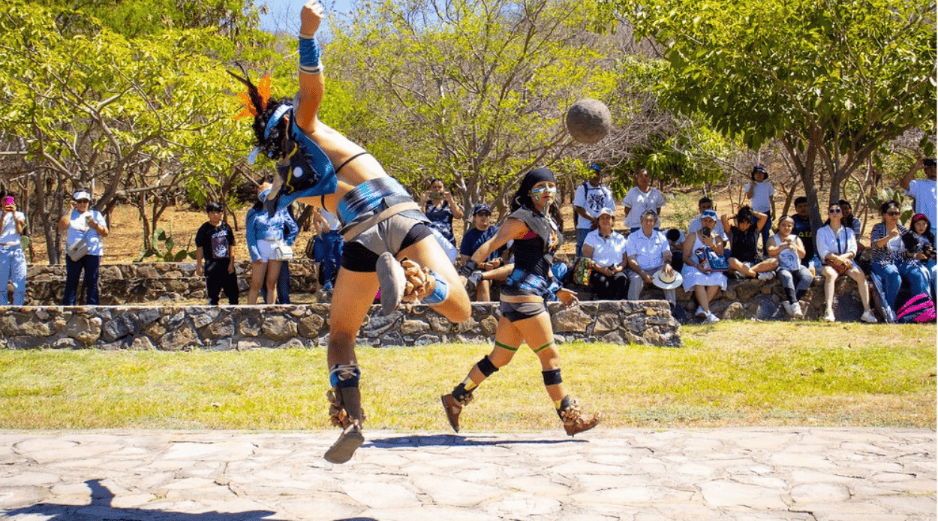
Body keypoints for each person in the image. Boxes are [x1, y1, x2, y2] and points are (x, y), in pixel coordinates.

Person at [229, 0, 471, 464]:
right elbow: (312, 88)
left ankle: (353, 418)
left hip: (358, 235)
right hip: (395, 210)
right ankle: (421, 284)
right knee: (459, 309)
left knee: (341, 335)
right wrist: (306, 35)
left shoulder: (289, 181)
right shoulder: (305, 126)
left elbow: (275, 196)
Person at [442, 168, 601, 437]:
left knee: (499, 358)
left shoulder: (546, 219)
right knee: (550, 358)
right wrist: (465, 273)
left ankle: (455, 398)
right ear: (529, 191)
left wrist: (557, 289)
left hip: (520, 296)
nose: (547, 190)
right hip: (525, 297)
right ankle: (570, 418)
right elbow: (492, 244)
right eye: (540, 186)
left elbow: (540, 264)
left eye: (551, 185)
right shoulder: (522, 219)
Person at [815, 204, 876, 323]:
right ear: (828, 214)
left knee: (860, 275)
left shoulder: (849, 231)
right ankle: (829, 311)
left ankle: (867, 311)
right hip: (828, 263)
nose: (835, 213)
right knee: (831, 275)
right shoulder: (821, 231)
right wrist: (837, 259)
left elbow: (853, 250)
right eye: (832, 210)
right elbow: (823, 252)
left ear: (841, 214)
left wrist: (842, 258)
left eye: (838, 210)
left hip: (846, 262)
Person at [869, 201, 930, 311]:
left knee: (917, 275)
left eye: (897, 213)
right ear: (884, 215)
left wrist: (916, 255)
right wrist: (889, 236)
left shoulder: (902, 229)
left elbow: (906, 252)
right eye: (891, 213)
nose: (894, 216)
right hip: (882, 262)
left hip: (901, 262)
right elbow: (875, 245)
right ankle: (890, 309)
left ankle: (920, 309)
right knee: (894, 275)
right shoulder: (878, 228)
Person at [246, 183, 298, 305]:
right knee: (256, 283)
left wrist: (286, 244)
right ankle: (249, 311)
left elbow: (294, 228)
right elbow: (250, 235)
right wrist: (255, 254)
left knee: (271, 283)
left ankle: (270, 311)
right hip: (261, 246)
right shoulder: (254, 212)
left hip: (276, 247)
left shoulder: (281, 211)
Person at [59, 189, 108, 305]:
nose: (82, 204)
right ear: (75, 202)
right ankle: (68, 307)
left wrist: (96, 226)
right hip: (75, 252)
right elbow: (61, 227)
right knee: (72, 280)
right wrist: (70, 210)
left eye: (85, 201)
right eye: (79, 201)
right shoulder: (70, 214)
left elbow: (105, 233)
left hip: (92, 252)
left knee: (92, 281)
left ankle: (93, 306)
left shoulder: (95, 215)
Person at [680, 209, 726, 323]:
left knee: (718, 278)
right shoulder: (693, 236)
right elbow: (685, 257)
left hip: (710, 268)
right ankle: (708, 313)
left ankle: (702, 308)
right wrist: (697, 266)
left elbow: (721, 253)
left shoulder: (717, 238)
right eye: (705, 220)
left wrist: (712, 244)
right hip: (693, 266)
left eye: (710, 221)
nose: (707, 223)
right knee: (698, 278)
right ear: (701, 221)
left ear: (715, 223)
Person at [625, 210, 676, 305]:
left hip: (658, 269)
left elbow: (667, 254)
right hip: (638, 270)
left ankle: (671, 305)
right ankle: (632, 307)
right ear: (641, 222)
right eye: (646, 220)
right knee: (636, 280)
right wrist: (643, 274)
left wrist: (667, 264)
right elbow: (631, 260)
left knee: (669, 274)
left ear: (655, 223)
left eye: (651, 221)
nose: (648, 223)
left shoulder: (661, 236)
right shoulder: (632, 237)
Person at [767, 216, 812, 319]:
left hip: (797, 265)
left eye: (789, 226)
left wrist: (793, 245)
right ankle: (795, 306)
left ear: (792, 227)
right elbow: (771, 251)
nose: (786, 228)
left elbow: (802, 255)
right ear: (778, 226)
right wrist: (783, 246)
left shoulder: (796, 238)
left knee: (807, 277)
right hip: (781, 266)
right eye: (783, 225)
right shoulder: (773, 238)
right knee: (787, 276)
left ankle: (791, 302)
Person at [195, 201, 239, 305]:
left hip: (226, 265)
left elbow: (231, 245)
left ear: (221, 214)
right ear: (208, 214)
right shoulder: (204, 229)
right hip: (212, 267)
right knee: (213, 296)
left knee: (233, 294)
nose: (215, 215)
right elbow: (199, 248)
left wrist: (231, 263)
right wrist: (199, 265)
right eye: (212, 212)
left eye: (217, 212)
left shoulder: (226, 227)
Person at [458, 204, 503, 301]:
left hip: (498, 269)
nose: (484, 217)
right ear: (475, 217)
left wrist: (499, 261)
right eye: (480, 214)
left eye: (486, 214)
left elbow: (508, 253)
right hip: (477, 270)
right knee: (483, 281)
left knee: (517, 276)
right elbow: (465, 261)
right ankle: (483, 309)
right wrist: (483, 266)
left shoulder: (498, 232)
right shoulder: (469, 236)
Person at [582, 207, 628, 300]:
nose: (605, 220)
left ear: (612, 221)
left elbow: (625, 260)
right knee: (602, 281)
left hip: (615, 270)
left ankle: (615, 305)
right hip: (597, 270)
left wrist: (618, 269)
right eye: (602, 218)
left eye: (608, 218)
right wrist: (601, 269)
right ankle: (604, 305)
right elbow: (586, 259)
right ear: (598, 221)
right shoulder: (591, 237)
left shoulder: (620, 238)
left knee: (621, 279)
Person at [720, 206, 778, 280]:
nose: (744, 226)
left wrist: (751, 212)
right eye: (742, 223)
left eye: (747, 223)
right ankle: (757, 275)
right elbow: (723, 218)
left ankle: (744, 273)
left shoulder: (754, 230)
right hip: (738, 264)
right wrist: (737, 215)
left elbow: (764, 217)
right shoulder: (732, 232)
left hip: (754, 263)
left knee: (774, 262)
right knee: (731, 261)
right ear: (738, 221)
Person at [573, 163, 616, 257]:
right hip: (585, 227)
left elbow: (610, 209)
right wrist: (594, 220)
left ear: (600, 175)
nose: (595, 176)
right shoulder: (582, 189)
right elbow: (579, 207)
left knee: (601, 250)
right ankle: (581, 266)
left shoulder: (605, 190)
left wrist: (600, 222)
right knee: (583, 252)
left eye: (597, 173)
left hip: (602, 226)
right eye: (592, 173)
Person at [0, 194, 27, 305]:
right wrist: (3, 216)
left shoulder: (19, 214)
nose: (7, 203)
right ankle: (2, 309)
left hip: (16, 250)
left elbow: (20, 230)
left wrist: (14, 214)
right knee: (1, 285)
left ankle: (18, 308)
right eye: (5, 200)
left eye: (10, 200)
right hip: (2, 249)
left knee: (19, 284)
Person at [421, 178, 463, 249]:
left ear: (443, 189)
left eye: (440, 187)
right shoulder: (427, 204)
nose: (437, 189)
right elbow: (418, 217)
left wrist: (451, 201)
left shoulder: (448, 203)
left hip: (447, 241)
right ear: (431, 189)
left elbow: (458, 216)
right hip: (430, 241)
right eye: (434, 187)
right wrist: (422, 201)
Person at [621, 168, 665, 233]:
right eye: (641, 176)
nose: (643, 178)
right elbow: (627, 209)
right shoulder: (632, 192)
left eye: (646, 176)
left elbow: (658, 210)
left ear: (649, 178)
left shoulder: (656, 192)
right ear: (637, 178)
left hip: (653, 226)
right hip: (636, 226)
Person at [311, 206, 343, 293]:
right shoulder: (323, 199)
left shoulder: (340, 200)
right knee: (328, 257)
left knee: (340, 256)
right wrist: (323, 221)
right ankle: (328, 281)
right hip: (328, 231)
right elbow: (314, 209)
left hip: (339, 232)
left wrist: (344, 223)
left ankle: (339, 280)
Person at [900, 158, 936, 236]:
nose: (933, 169)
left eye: (936, 166)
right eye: (930, 167)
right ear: (925, 170)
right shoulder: (918, 184)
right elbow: (904, 184)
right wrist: (915, 168)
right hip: (923, 229)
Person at [745, 164, 776, 256]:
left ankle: (766, 254)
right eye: (757, 173)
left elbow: (772, 198)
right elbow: (748, 196)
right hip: (755, 213)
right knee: (754, 233)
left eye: (761, 173)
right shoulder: (750, 184)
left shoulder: (768, 184)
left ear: (764, 174)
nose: (759, 175)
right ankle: (754, 253)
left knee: (766, 233)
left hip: (766, 212)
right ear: (753, 175)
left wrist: (774, 211)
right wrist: (752, 186)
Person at [905, 214, 937, 297]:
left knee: (935, 270)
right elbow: (906, 253)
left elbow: (932, 251)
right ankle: (924, 301)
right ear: (913, 225)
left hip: (928, 261)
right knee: (922, 273)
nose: (921, 227)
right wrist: (917, 254)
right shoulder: (909, 236)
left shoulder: (930, 236)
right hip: (914, 262)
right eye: (918, 224)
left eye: (923, 224)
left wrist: (931, 253)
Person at [791, 196, 816, 269]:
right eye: (800, 207)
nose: (803, 209)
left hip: (813, 255)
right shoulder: (792, 221)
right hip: (797, 255)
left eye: (805, 206)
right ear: (796, 209)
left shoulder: (815, 220)